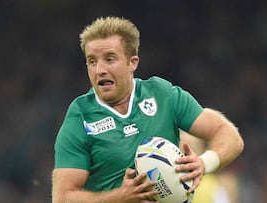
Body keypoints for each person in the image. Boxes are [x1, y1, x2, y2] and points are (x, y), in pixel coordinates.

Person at [52, 16, 244, 203]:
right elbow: (63, 197)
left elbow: (229, 136)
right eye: (92, 61)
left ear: (132, 62)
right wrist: (119, 198)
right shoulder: (80, 116)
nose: (99, 69)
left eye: (109, 59)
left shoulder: (162, 95)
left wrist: (203, 163)